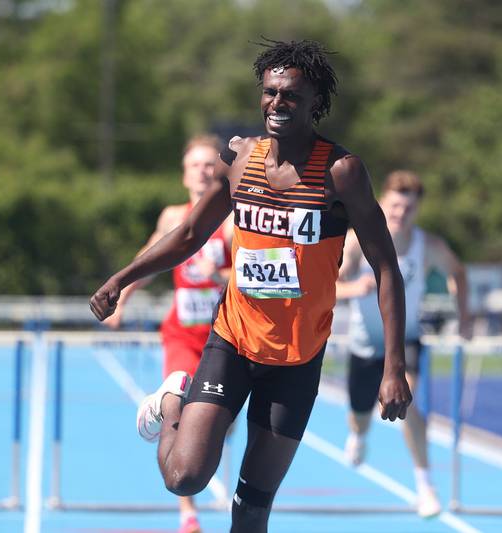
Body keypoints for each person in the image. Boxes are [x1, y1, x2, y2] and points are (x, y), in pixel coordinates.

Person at [89, 39, 412, 533]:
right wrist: (122, 277)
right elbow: (191, 234)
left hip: (297, 361)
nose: (277, 105)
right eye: (270, 93)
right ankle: (175, 396)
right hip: (234, 341)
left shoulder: (340, 173)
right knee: (184, 477)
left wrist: (395, 368)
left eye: (291, 97)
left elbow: (387, 268)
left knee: (252, 509)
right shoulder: (239, 159)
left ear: (315, 104)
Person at [104, 134, 231, 533]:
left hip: (223, 334)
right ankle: (187, 512)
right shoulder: (172, 218)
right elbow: (149, 260)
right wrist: (121, 298)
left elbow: (249, 275)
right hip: (180, 333)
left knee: (219, 427)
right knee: (186, 409)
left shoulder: (230, 221)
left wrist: (219, 274)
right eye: (196, 165)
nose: (204, 171)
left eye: (210, 164)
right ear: (184, 175)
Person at [337, 169, 472, 518]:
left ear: (417, 210)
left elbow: (457, 271)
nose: (400, 214)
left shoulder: (428, 246)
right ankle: (359, 435)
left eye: (408, 209)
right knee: (361, 416)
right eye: (395, 206)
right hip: (365, 344)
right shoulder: (356, 240)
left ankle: (425, 486)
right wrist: (354, 288)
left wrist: (464, 315)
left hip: (407, 340)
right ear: (383, 202)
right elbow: (329, 284)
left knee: (408, 402)